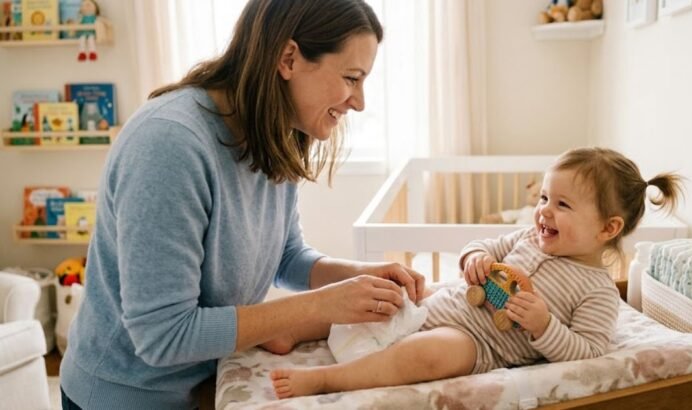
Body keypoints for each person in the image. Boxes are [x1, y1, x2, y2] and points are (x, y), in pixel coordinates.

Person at [59, 1, 425, 409]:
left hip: (207, 382)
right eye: (351, 78)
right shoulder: (169, 145)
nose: (359, 102)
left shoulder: (273, 131)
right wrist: (320, 305)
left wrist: (359, 277)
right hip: (126, 397)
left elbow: (284, 256)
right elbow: (162, 335)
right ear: (288, 58)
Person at [269, 147, 685, 398]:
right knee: (385, 292)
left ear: (607, 229)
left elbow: (589, 352)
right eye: (544, 198)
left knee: (431, 355)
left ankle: (328, 380)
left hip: (481, 342)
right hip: (445, 301)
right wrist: (474, 259)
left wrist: (543, 326)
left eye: (562, 205)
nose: (544, 211)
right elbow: (482, 246)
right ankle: (296, 328)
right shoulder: (528, 236)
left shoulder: (597, 291)